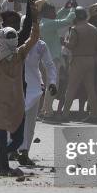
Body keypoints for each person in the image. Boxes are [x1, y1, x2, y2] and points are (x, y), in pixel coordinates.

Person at [0, 0, 40, 176]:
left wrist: (33, 8)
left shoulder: (20, 52)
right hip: (0, 102)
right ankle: (1, 165)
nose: (12, 35)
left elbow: (33, 34)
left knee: (17, 139)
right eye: (9, 35)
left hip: (17, 100)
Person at [16, 31, 56, 165]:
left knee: (30, 124)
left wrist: (52, 82)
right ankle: (11, 149)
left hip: (34, 88)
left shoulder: (40, 45)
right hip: (15, 87)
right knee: (14, 120)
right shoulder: (14, 41)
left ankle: (24, 152)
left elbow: (49, 65)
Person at [58, 7, 97, 122]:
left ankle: (65, 115)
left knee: (71, 88)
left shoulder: (75, 29)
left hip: (78, 60)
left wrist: (64, 42)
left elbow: (71, 45)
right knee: (90, 89)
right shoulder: (94, 28)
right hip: (90, 59)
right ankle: (94, 115)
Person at [38, 0, 76, 118]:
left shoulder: (45, 22)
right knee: (53, 85)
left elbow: (57, 18)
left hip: (48, 59)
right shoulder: (48, 24)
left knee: (50, 85)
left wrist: (65, 8)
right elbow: (67, 21)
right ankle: (48, 112)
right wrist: (72, 9)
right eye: (52, 11)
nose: (55, 13)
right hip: (52, 59)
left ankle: (45, 110)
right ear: (46, 13)